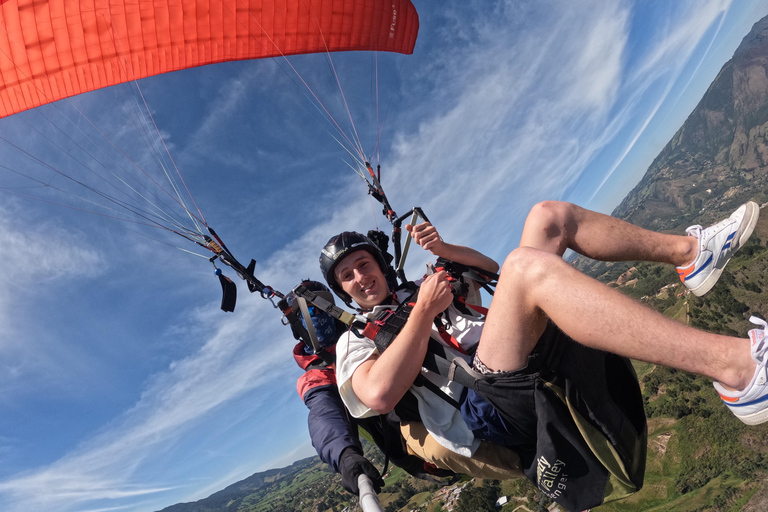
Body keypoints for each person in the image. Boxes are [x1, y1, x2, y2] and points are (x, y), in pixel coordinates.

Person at [320, 200, 763, 509]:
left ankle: (691, 255)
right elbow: (377, 395)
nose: (360, 276)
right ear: (342, 290)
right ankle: (738, 371)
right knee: (525, 269)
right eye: (347, 275)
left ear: (379, 263)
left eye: (363, 264)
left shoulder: (420, 288)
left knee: (547, 217)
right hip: (485, 410)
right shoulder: (353, 341)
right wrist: (422, 313)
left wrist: (444, 252)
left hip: (506, 362)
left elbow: (495, 271)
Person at [285, 280, 523, 498]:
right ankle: (533, 464)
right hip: (405, 433)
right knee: (443, 451)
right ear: (297, 325)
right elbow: (324, 415)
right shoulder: (319, 375)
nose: (316, 316)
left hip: (442, 397)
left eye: (320, 305)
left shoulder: (363, 326)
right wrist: (344, 454)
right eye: (305, 312)